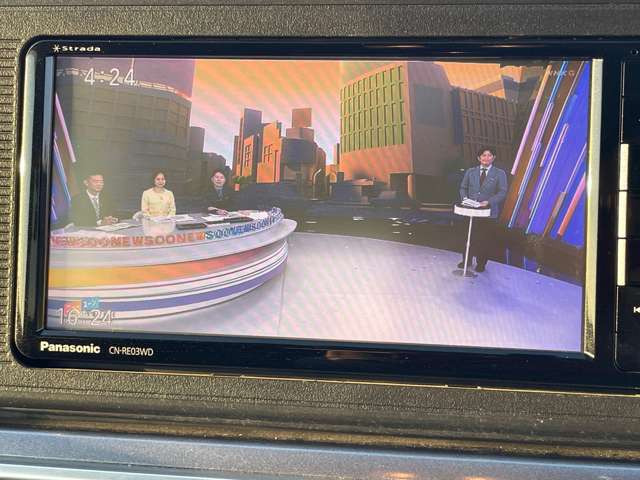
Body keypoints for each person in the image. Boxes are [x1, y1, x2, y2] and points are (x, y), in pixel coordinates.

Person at [458, 146, 507, 272]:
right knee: (468, 237)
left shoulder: (500, 173)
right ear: (479, 158)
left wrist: (488, 202)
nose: (486, 158)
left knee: (484, 239)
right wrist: (465, 199)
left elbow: (502, 192)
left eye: (489, 155)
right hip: (471, 210)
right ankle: (466, 260)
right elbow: (463, 188)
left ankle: (481, 264)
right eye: (484, 155)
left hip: (488, 212)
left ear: (493, 158)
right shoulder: (470, 172)